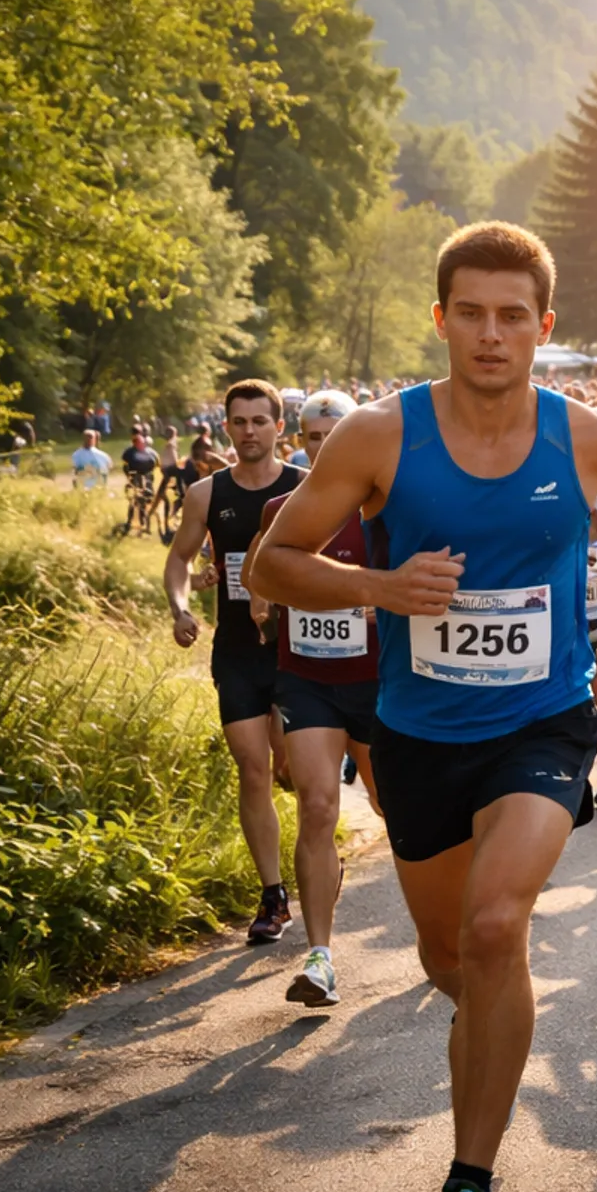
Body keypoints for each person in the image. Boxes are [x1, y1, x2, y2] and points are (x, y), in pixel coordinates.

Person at [246, 222, 597, 1192]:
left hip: (546, 719)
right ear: (441, 321)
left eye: (511, 316)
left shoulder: (589, 436)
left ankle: (468, 1185)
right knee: (453, 959)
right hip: (419, 737)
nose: (491, 334)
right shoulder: (379, 437)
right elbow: (272, 565)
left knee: (494, 927)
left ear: (542, 327)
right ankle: (494, 1017)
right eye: (470, 314)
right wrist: (379, 585)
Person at [247, 391, 380, 1006]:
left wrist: (381, 603)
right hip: (307, 680)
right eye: (311, 437)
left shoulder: (384, 512)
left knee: (391, 807)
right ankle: (320, 957)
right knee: (319, 806)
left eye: (334, 435)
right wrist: (267, 595)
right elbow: (257, 580)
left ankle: (447, 926)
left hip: (379, 682)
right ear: (297, 440)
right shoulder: (280, 509)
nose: (322, 447)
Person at [164, 381, 303, 944]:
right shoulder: (205, 493)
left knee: (290, 768)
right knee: (252, 769)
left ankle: (318, 852)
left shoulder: (304, 488)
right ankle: (273, 896)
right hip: (238, 651)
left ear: (278, 428)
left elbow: (335, 559)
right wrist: (181, 605)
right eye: (239, 422)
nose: (249, 431)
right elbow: (179, 559)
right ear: (227, 428)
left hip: (298, 648)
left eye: (259, 421)